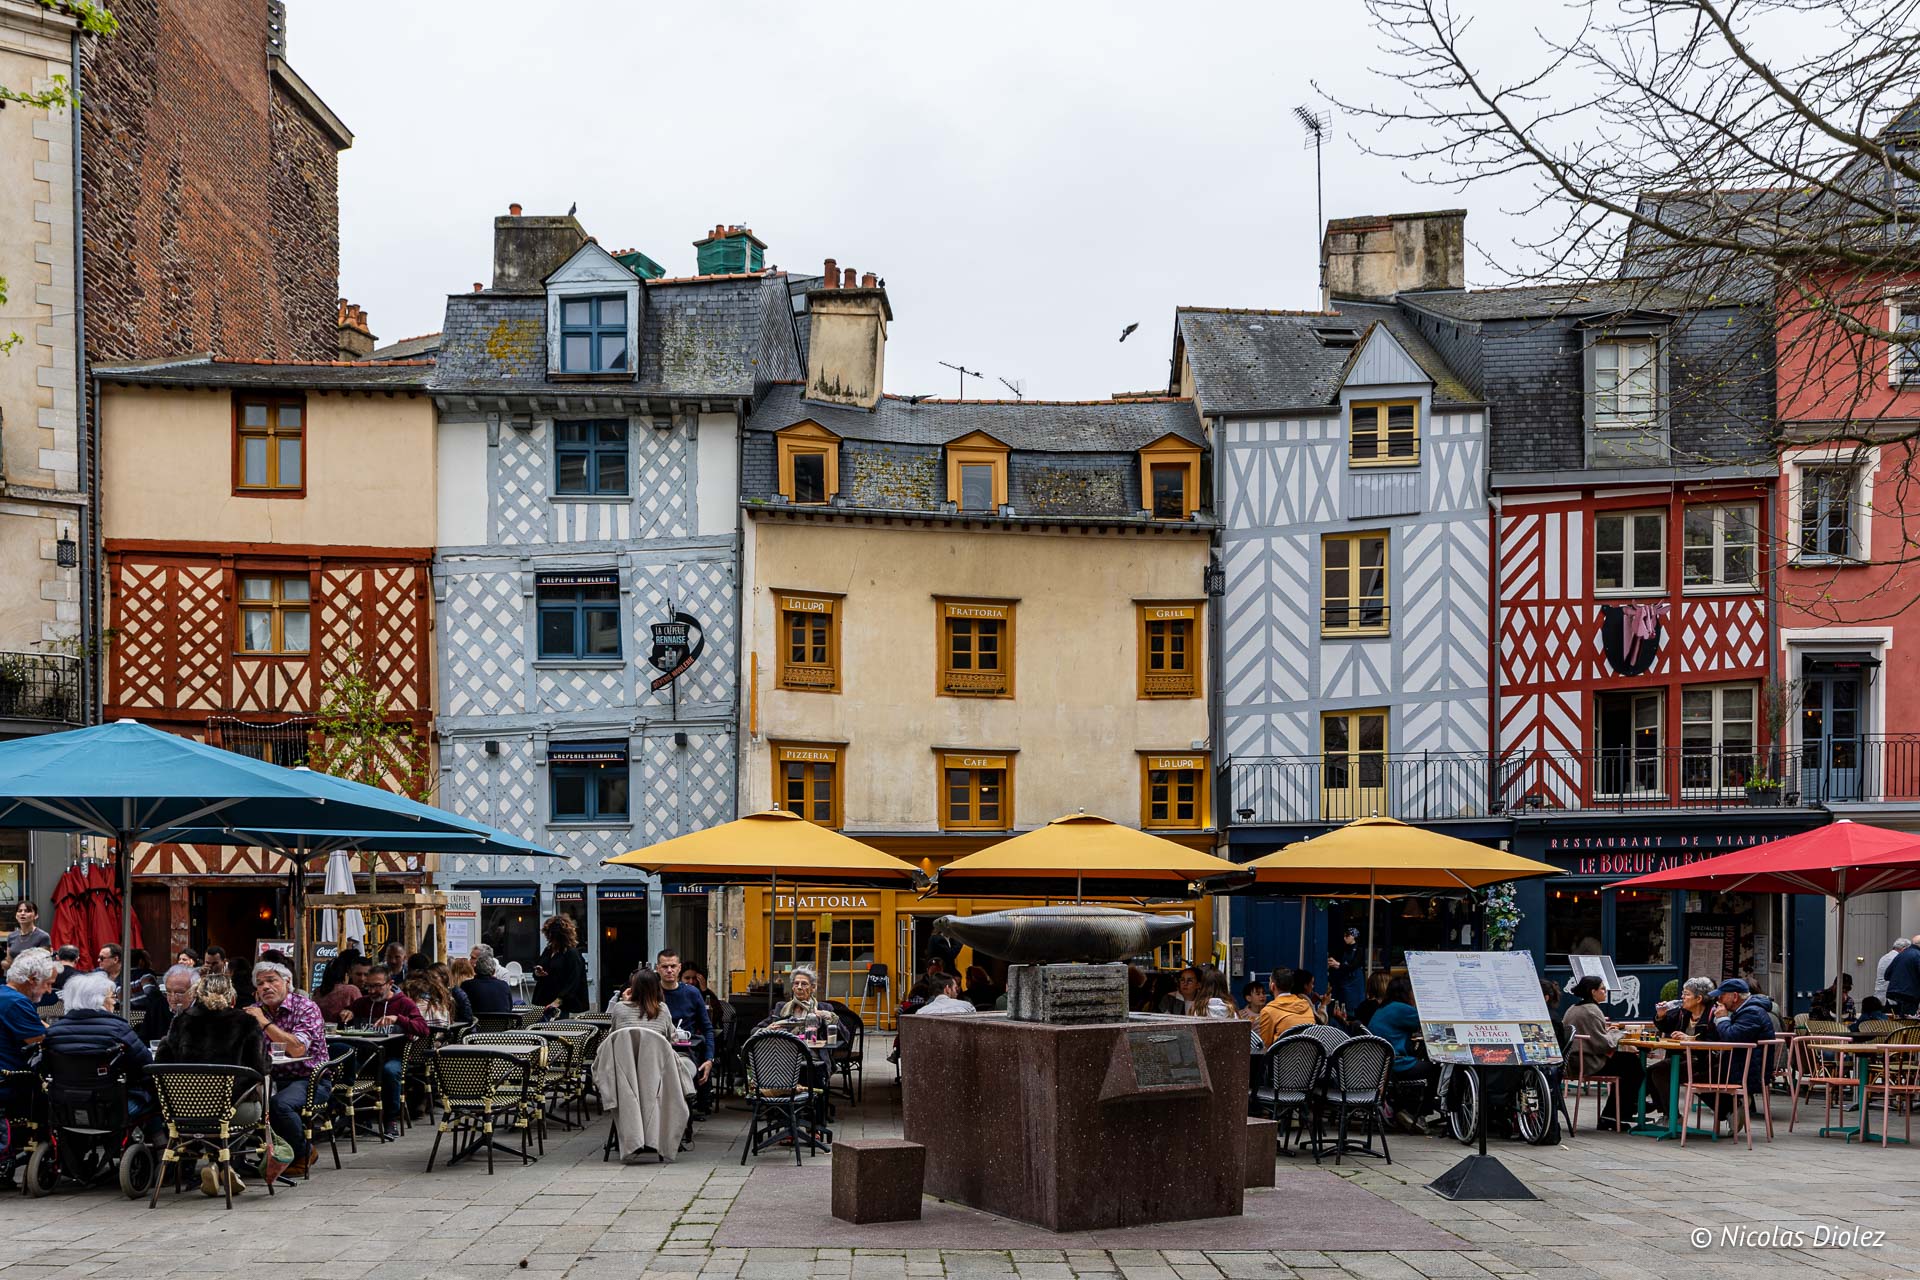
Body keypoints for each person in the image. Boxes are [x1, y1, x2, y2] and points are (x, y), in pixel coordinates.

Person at [159, 974, 274, 1194]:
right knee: (253, 1110)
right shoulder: (246, 1022)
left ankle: (216, 1163)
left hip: (186, 1110)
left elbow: (164, 1060)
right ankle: (223, 1164)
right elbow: (260, 1068)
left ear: (197, 994)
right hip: (232, 1109)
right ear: (231, 995)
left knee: (211, 1120)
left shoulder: (181, 1020)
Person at [43, 970, 156, 1130]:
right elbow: (145, 1065)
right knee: (154, 1100)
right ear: (99, 1000)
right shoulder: (119, 1029)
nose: (115, 1002)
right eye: (112, 997)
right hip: (112, 1109)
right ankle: (160, 1145)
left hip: (65, 1108)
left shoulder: (53, 1033)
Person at [245, 960, 326, 1179]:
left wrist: (264, 1023)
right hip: (268, 1077)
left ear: (287, 982)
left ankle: (303, 1154)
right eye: (260, 983)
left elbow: (298, 1049)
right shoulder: (256, 1011)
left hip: (308, 1078)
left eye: (271, 981)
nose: (265, 987)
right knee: (237, 1101)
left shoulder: (306, 1008)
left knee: (279, 1105)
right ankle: (240, 1160)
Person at [344, 964, 428, 1138]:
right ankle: (358, 1117)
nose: (372, 990)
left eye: (377, 986)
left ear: (390, 984)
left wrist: (399, 1019)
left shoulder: (404, 1003)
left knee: (390, 1072)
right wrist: (346, 1014)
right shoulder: (361, 1003)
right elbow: (346, 1020)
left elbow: (423, 1029)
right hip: (366, 1056)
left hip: (393, 1055)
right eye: (369, 986)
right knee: (345, 1066)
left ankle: (391, 1120)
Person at [1561, 975, 1644, 1131]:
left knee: (1628, 1063)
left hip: (1572, 1061)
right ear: (1593, 992)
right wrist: (1618, 1033)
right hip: (1588, 1062)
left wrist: (1607, 1032)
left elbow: (1594, 1035)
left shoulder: (1573, 1008)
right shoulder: (1592, 1011)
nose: (1605, 992)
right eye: (1603, 989)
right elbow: (1603, 1044)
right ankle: (1616, 1115)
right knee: (1632, 1065)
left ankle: (1621, 1110)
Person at [611, 967, 697, 1096]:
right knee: (688, 1064)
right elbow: (672, 1039)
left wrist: (624, 1003)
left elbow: (613, 1037)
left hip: (625, 1068)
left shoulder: (619, 1008)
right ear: (657, 988)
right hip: (656, 1068)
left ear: (632, 988)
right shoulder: (662, 1009)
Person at [1368, 975, 1438, 1132]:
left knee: (1423, 1064)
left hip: (1381, 1064)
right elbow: (1429, 1022)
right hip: (1395, 1064)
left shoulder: (1386, 1008)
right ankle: (1417, 1113)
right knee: (1434, 1069)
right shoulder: (1401, 1009)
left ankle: (1406, 1107)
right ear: (1406, 992)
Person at [1706, 978, 1776, 1117]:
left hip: (1747, 1072)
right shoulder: (1744, 1011)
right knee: (1699, 1072)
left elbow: (1731, 1037)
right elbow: (1717, 1037)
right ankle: (1730, 1110)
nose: (1719, 1000)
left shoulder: (1752, 1013)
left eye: (1722, 995)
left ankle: (1732, 1108)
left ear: (1735, 996)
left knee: (1698, 1075)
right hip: (1740, 1065)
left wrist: (1722, 1019)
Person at [657, 950, 714, 1090]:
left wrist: (709, 1059)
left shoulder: (692, 993)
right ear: (658, 968)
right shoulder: (651, 993)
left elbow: (707, 1029)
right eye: (665, 967)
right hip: (656, 1051)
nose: (669, 970)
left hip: (686, 1051)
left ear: (679, 968)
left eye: (673, 966)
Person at [1, 948, 53, 1093]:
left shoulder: (5, 995)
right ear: (32, 979)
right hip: (11, 1084)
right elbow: (42, 1040)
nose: (49, 990)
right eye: (47, 983)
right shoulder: (16, 1002)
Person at [532, 916, 588, 1016]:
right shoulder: (548, 950)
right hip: (543, 1000)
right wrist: (538, 972)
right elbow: (539, 967)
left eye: (551, 936)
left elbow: (574, 980)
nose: (549, 938)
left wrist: (559, 1000)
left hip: (561, 1005)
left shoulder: (571, 953)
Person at [135, 963, 198, 1043]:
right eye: (168, 992)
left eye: (179, 992)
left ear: (194, 991)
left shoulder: (205, 1011)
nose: (173, 997)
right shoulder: (157, 1007)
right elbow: (143, 1040)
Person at [463, 945, 515, 1014]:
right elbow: (509, 1008)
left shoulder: (467, 985)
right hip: (500, 1023)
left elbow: (462, 1009)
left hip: (477, 1023)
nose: (469, 961)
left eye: (473, 958)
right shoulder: (503, 985)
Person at [314, 953, 362, 1023]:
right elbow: (362, 1010)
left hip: (321, 1028)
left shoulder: (317, 991)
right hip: (343, 1029)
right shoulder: (352, 990)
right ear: (346, 974)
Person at [1327, 926, 1365, 1012]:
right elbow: (1341, 965)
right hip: (1345, 982)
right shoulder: (1344, 948)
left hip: (1355, 982)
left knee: (1354, 1005)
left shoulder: (1359, 950)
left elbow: (1353, 965)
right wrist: (1334, 964)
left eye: (1347, 935)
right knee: (1343, 1004)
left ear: (1353, 936)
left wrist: (1338, 965)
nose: (1345, 938)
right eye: (1344, 935)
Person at [909, 971, 975, 1015]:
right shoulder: (967, 1007)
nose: (957, 991)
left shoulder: (921, 1012)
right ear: (947, 989)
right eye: (955, 988)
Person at [1886, 934, 1920, 1016]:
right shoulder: (1918, 955)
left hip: (1894, 994)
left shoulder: (1900, 954)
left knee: (1900, 1020)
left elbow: (1886, 975)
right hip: (1910, 995)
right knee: (1909, 1022)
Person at [1876, 937, 1910, 1003]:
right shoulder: (1898, 958)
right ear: (1904, 949)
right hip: (1891, 998)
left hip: (1880, 996)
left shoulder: (1884, 957)